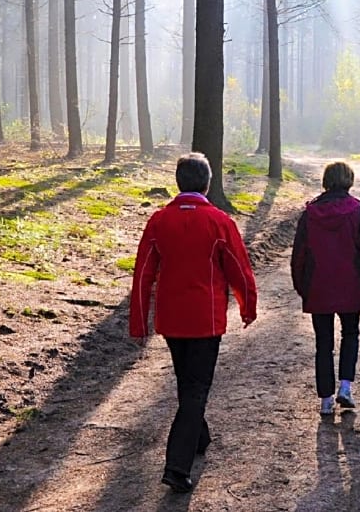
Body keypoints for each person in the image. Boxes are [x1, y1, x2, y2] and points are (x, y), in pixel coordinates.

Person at [129, 152, 257, 493]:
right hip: (206, 321)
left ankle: (200, 438)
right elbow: (239, 271)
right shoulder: (219, 222)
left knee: (188, 383)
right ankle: (176, 466)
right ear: (208, 183)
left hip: (172, 321)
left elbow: (143, 274)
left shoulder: (158, 221)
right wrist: (247, 307)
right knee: (196, 388)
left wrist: (140, 322)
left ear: (178, 182)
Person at [291, 161, 360, 416]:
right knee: (351, 334)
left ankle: (326, 400)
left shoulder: (311, 213)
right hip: (351, 285)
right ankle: (345, 386)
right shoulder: (358, 211)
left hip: (318, 286)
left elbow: (299, 255)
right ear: (349, 180)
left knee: (323, 343)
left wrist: (302, 286)